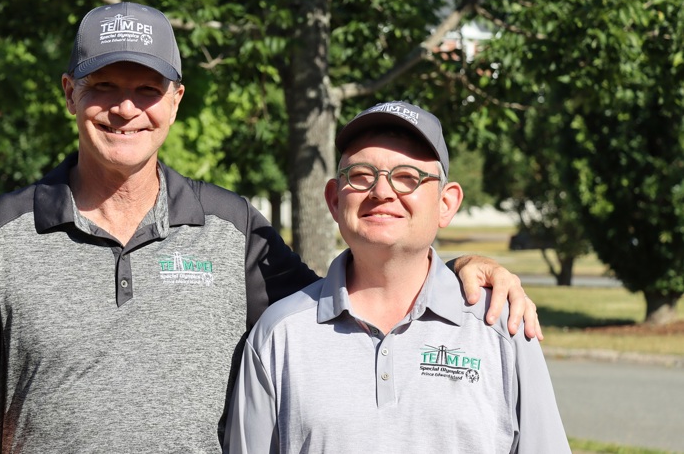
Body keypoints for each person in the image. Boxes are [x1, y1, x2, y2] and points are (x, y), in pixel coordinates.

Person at [0, 2, 540, 453]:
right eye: (103, 86)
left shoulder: (231, 228)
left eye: (147, 88)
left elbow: (360, 286)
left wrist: (457, 267)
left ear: (176, 99)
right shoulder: (0, 234)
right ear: (69, 94)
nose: (126, 108)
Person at [225, 101, 569, 453]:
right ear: (333, 200)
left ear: (446, 204)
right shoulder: (278, 335)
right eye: (360, 175)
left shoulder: (502, 328)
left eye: (408, 177)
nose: (382, 191)